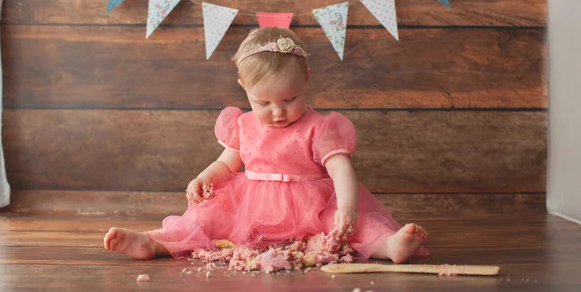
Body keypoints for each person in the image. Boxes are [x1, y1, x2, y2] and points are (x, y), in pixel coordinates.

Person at [104, 27, 429, 263]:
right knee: (205, 220)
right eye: (263, 102)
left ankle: (389, 246)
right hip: (250, 205)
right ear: (244, 88)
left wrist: (347, 208)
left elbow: (342, 169)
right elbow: (227, 162)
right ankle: (152, 243)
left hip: (311, 207)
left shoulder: (319, 127)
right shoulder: (244, 124)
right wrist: (205, 177)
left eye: (290, 99)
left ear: (306, 81)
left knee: (347, 227)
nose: (277, 112)